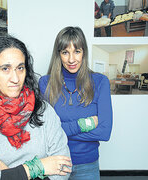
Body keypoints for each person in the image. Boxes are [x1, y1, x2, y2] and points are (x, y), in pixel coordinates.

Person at [0, 36, 72, 180]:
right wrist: (35, 168)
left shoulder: (44, 111)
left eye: (20, 68)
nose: (16, 78)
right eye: (5, 69)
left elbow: (64, 169)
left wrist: (6, 171)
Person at [39, 26, 113, 180]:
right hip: (55, 162)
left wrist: (60, 129)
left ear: (83, 52)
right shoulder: (45, 83)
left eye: (77, 51)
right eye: (65, 52)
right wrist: (84, 124)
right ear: (58, 54)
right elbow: (44, 133)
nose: (71, 59)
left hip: (87, 165)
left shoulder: (100, 82)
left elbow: (104, 132)